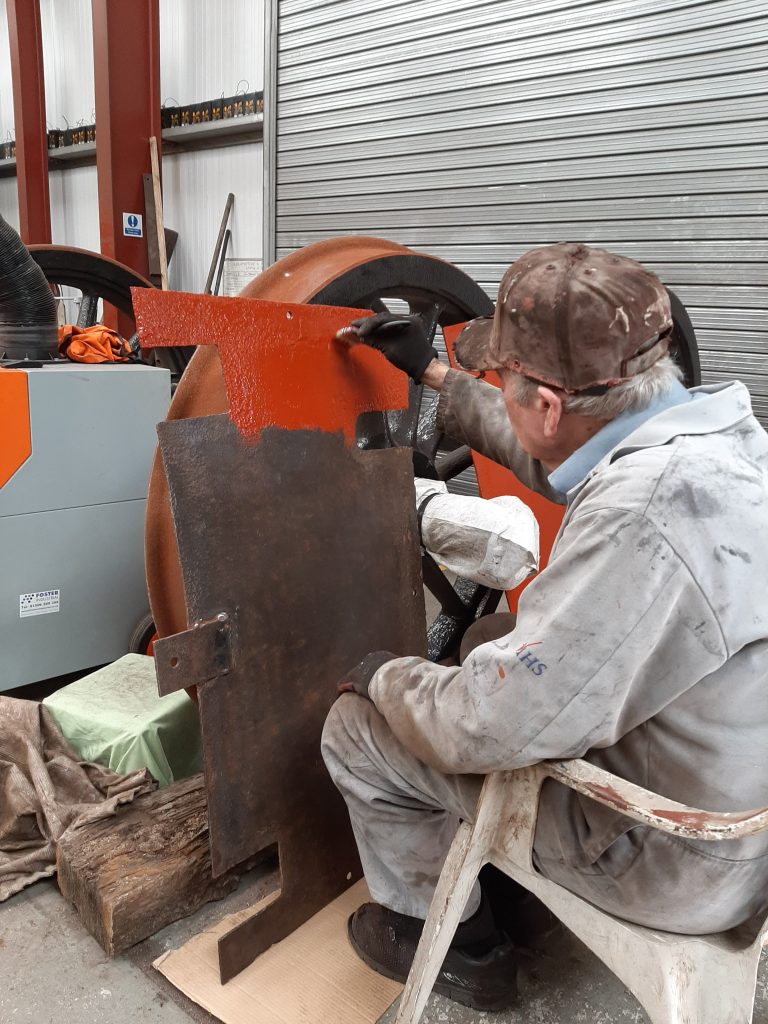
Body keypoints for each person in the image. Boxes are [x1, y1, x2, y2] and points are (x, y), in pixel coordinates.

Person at [322, 242, 768, 1011]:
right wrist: (437, 377)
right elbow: (564, 457)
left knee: (357, 729)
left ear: (551, 405)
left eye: (507, 382)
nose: (505, 391)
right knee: (491, 637)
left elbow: (479, 726)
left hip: (670, 860)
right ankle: (498, 866)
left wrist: (386, 677)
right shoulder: (721, 446)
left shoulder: (639, 519)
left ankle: (462, 946)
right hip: (738, 807)